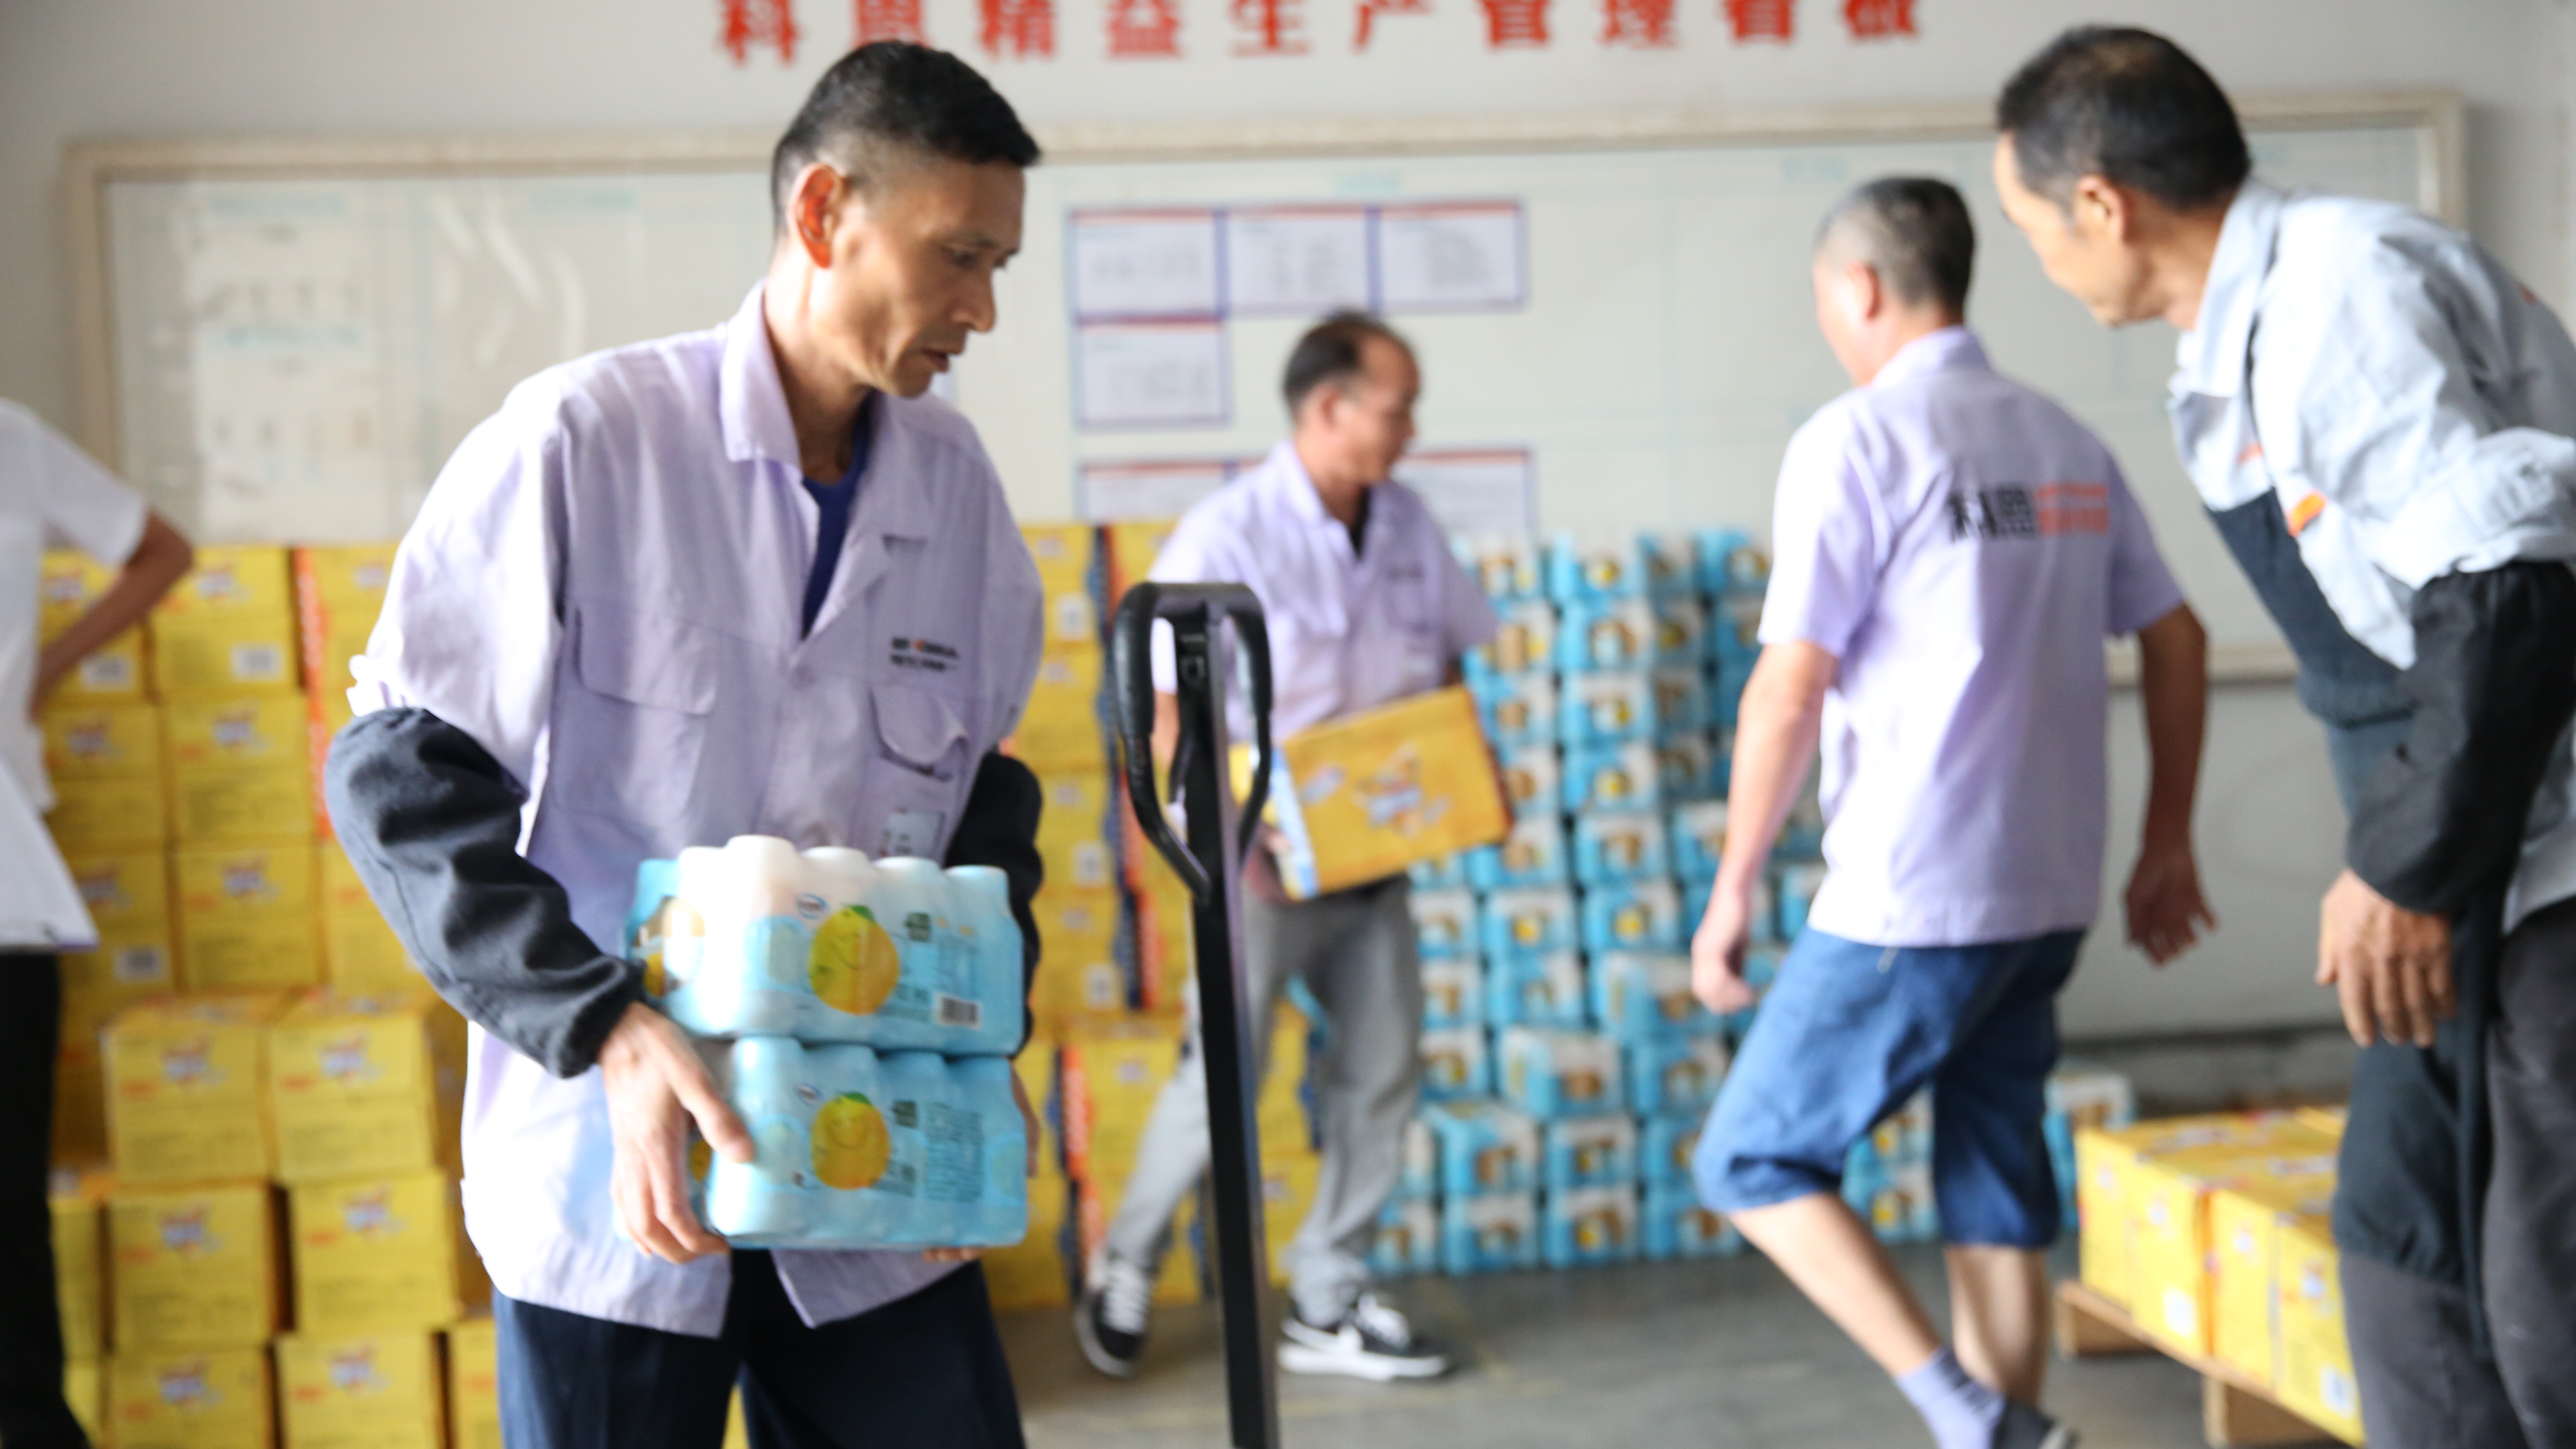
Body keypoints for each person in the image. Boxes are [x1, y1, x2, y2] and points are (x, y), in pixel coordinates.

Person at [322, 43, 1053, 1449]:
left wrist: (980, 1045)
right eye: (959, 257)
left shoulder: (956, 490)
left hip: (879, 1157)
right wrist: (603, 1023)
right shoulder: (587, 442)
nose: (982, 309)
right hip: (618, 1169)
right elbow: (401, 783)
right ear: (825, 212)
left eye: (998, 267)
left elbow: (984, 814)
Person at [1992, 29, 2576, 1447]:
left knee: (2542, 1290)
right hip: (2468, 842)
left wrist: (2403, 870)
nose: (2040, 262)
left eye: (2031, 226)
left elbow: (2502, 588)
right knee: (2404, 1234)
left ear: (2100, 204)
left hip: (2532, 847)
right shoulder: (2251, 326)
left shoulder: (2337, 295)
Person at [1688, 178, 2213, 1449]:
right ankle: (2008, 1428)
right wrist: (2165, 841)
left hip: (1912, 898)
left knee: (1750, 1159)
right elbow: (2178, 635)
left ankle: (1971, 1415)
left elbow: (1790, 686)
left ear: (1859, 289)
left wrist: (1732, 887)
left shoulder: (1857, 441)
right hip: (2049, 889)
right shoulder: (2063, 441)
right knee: (1992, 1181)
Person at [1072, 313, 1496, 1384]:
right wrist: (1219, 841)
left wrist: (1464, 785)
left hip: (1375, 857)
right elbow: (1162, 707)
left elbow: (1451, 666)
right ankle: (1125, 1262)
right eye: (1397, 408)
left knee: (1380, 1073)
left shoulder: (1407, 524)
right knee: (1221, 1079)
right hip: (1256, 864)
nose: (1411, 429)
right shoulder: (1231, 533)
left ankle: (1328, 1290)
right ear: (1330, 406)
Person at [0, 399, 193, 1449]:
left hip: (8, 875)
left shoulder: (11, 441)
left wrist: (44, 669)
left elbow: (161, 549)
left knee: (8, 1215)